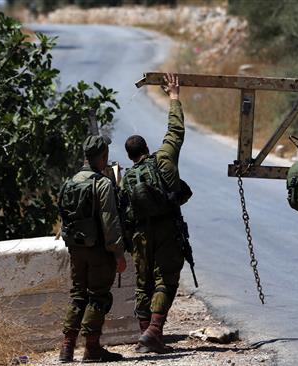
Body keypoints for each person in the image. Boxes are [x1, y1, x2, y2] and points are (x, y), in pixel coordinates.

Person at [121, 73, 188, 354]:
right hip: (166, 230)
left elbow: (123, 214)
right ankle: (154, 331)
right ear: (147, 149)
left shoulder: (126, 178)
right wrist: (173, 96)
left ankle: (147, 338)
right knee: (166, 280)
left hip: (140, 235)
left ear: (129, 156)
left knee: (143, 283)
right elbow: (176, 131)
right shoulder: (163, 159)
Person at [58, 135, 127, 363]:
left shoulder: (70, 182)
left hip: (76, 249)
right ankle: (92, 348)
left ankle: (66, 348)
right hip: (98, 250)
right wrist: (118, 252)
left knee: (78, 295)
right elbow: (109, 220)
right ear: (103, 157)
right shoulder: (103, 183)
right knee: (98, 296)